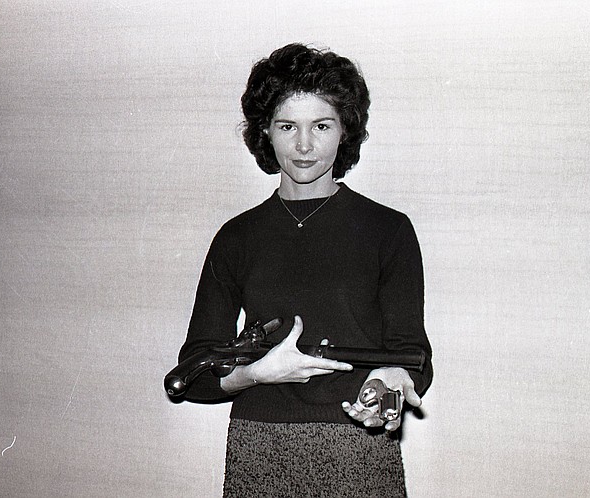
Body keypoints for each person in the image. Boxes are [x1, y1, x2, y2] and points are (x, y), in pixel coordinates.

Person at [175, 42, 433, 497]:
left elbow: (412, 358)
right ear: (266, 133)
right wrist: (259, 372)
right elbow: (191, 375)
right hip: (260, 450)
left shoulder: (388, 230)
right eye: (288, 126)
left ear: (344, 131)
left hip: (360, 448)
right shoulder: (236, 237)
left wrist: (388, 394)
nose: (304, 145)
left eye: (321, 125)